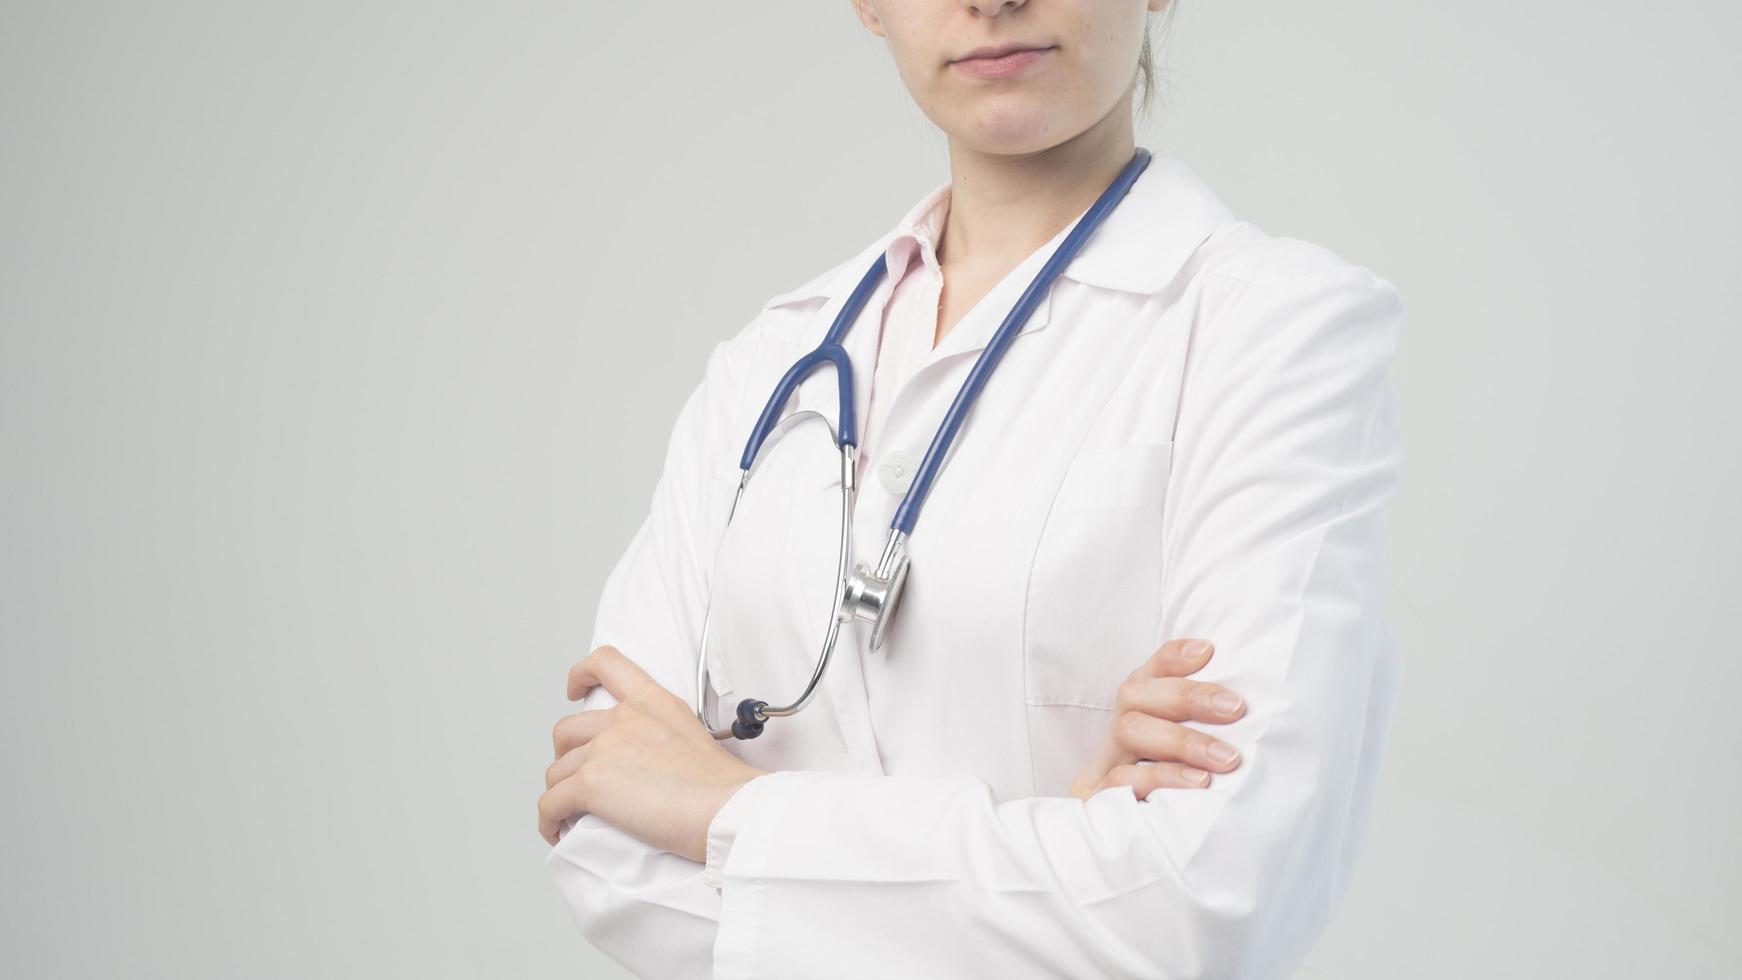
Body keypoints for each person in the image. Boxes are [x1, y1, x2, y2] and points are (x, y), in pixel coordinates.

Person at [539, 0, 1406, 976]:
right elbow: (605, 843)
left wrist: (717, 807)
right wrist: (1058, 862)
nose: (992, 0)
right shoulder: (766, 363)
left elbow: (1207, 898)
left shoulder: (1275, 333)